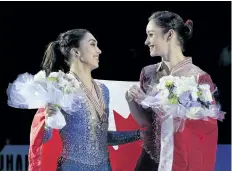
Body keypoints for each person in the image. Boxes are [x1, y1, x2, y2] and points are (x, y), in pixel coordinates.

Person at [28, 29, 141, 171]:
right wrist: (48, 121)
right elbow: (44, 138)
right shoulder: (61, 85)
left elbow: (102, 138)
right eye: (93, 44)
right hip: (72, 167)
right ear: (77, 52)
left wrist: (139, 134)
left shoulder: (103, 90)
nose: (99, 51)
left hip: (105, 167)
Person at [126, 11, 218, 171]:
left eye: (151, 35)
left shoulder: (198, 78)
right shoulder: (147, 73)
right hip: (149, 161)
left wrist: (150, 101)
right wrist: (132, 101)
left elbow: (204, 129)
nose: (146, 41)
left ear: (169, 35)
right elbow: (145, 123)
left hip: (180, 162)